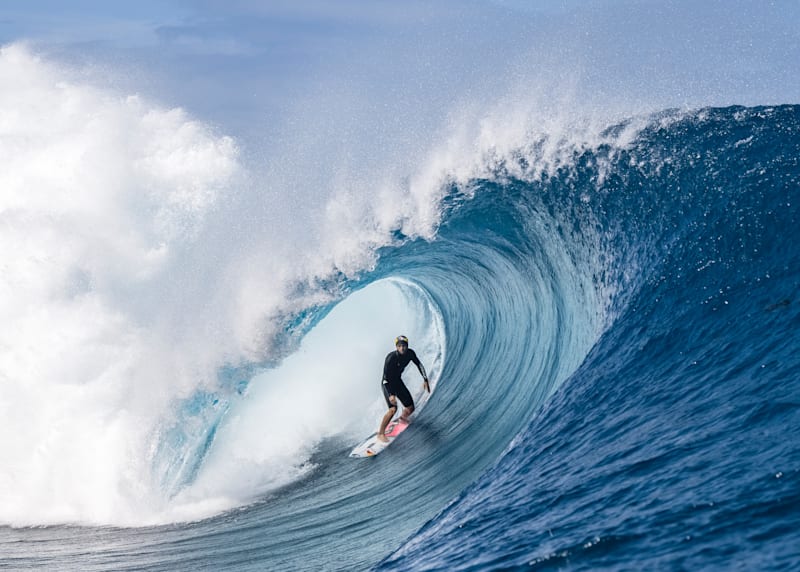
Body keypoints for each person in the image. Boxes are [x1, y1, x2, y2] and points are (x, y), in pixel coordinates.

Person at [377, 335, 430, 442]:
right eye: (400, 346)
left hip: (397, 382)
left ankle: (402, 418)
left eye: (404, 346)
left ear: (407, 346)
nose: (402, 348)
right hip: (387, 384)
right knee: (393, 409)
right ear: (396, 347)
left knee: (410, 408)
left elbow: (419, 364)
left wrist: (425, 379)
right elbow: (386, 378)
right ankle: (380, 433)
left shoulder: (410, 354)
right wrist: (391, 394)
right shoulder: (390, 358)